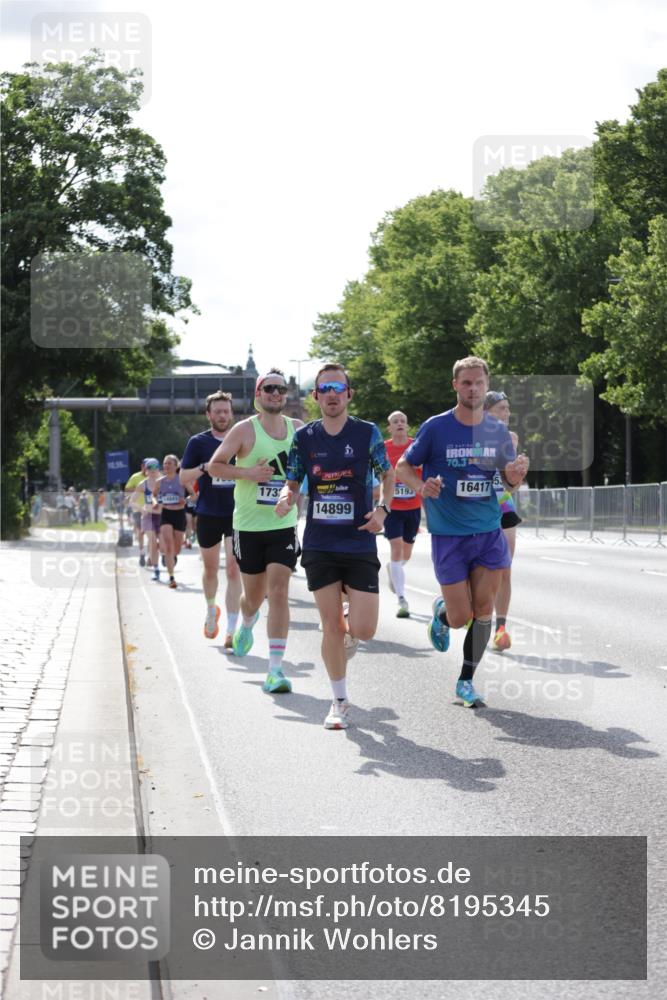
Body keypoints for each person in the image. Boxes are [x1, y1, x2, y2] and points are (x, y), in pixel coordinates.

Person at [396, 357, 529, 707]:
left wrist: (514, 478)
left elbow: (505, 484)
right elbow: (402, 466)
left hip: (487, 531)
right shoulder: (436, 428)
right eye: (466, 383)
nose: (473, 388)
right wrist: (423, 485)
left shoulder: (497, 432)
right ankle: (442, 613)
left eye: (479, 383)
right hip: (449, 534)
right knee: (460, 618)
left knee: (483, 608)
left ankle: (466, 680)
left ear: (486, 385)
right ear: (456, 385)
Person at [276, 362, 394, 730]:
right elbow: (292, 481)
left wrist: (383, 510)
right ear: (315, 396)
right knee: (330, 627)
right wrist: (284, 497)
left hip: (359, 539)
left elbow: (388, 474)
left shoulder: (367, 433)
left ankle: (349, 627)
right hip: (320, 542)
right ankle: (339, 701)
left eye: (337, 388)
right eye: (324, 388)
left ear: (348, 394)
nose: (330, 394)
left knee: (365, 629)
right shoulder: (305, 438)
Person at [207, 369, 304, 693]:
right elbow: (214, 466)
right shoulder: (244, 430)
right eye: (269, 388)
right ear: (258, 395)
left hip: (283, 525)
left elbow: (312, 471)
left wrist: (296, 492)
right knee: (254, 597)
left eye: (281, 388)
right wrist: (248, 473)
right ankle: (247, 620)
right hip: (248, 527)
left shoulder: (299, 430)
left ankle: (274, 670)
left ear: (286, 395)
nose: (275, 393)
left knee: (278, 592)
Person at [180, 391, 242, 646]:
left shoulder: (242, 439)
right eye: (217, 411)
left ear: (231, 413)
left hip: (238, 513)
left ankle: (230, 628)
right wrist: (205, 468)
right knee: (210, 569)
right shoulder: (198, 442)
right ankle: (210, 609)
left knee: (233, 569)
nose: (222, 415)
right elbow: (184, 477)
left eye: (226, 411)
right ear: (209, 415)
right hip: (208, 512)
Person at [484, 390, 523, 651]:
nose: (506, 413)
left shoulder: (511, 439)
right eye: (501, 408)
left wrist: (516, 477)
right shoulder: (470, 437)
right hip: (476, 510)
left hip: (504, 507)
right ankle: (463, 608)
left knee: (505, 570)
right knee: (475, 569)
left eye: (508, 408)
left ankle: (500, 628)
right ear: (486, 412)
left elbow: (512, 487)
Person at [383, 410, 423, 618]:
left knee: (405, 554)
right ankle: (401, 600)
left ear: (407, 426)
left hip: (413, 508)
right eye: (395, 421)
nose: (399, 424)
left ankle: (394, 568)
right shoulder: (384, 448)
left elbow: (425, 475)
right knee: (396, 549)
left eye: (403, 421)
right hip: (392, 508)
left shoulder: (416, 446)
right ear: (389, 427)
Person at [152, 454, 186, 589]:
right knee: (169, 545)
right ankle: (171, 577)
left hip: (179, 514)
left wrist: (186, 500)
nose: (166, 466)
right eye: (165, 463)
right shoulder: (160, 481)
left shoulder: (182, 480)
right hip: (166, 513)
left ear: (176, 465)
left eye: (169, 464)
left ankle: (171, 556)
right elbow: (153, 496)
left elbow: (193, 495)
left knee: (177, 548)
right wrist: (155, 503)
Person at [132, 458, 162, 580]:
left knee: (163, 544)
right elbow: (132, 501)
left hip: (162, 515)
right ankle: (156, 569)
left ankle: (165, 554)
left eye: (155, 468)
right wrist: (141, 509)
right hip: (148, 516)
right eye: (150, 468)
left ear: (159, 469)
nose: (153, 471)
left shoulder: (164, 482)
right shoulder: (143, 484)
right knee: (153, 541)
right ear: (146, 470)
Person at [125, 460, 148, 565]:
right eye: (145, 466)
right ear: (142, 466)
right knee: (141, 532)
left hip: (152, 509)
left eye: (149, 466)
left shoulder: (156, 477)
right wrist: (139, 488)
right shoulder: (135, 477)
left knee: (155, 533)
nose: (147, 468)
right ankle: (142, 553)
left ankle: (157, 553)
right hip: (138, 509)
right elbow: (127, 489)